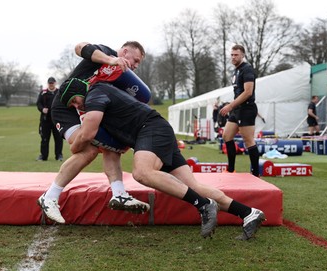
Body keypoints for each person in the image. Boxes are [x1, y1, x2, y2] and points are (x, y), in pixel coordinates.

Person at [61, 69, 266, 240]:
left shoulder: (94, 94)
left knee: (142, 173)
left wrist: (73, 146)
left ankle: (204, 205)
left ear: (81, 92)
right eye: (73, 106)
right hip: (156, 130)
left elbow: (87, 134)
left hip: (150, 129)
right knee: (194, 186)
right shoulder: (99, 94)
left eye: (75, 101)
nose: (77, 107)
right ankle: (248, 213)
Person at [37, 42, 151, 219]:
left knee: (113, 145)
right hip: (66, 105)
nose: (136, 65)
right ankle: (49, 197)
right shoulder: (107, 54)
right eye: (135, 60)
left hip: (90, 107)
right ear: (125, 51)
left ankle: (119, 194)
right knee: (88, 150)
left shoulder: (124, 77)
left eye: (139, 63)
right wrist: (110, 60)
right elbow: (79, 47)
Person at [220, 45, 260, 177]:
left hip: (247, 108)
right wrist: (232, 107)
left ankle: (256, 173)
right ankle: (231, 170)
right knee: (227, 136)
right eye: (231, 55)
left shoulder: (247, 69)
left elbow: (248, 92)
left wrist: (230, 106)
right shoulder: (235, 71)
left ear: (242, 55)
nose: (233, 57)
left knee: (248, 140)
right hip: (237, 109)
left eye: (236, 55)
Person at [36, 77, 63, 161]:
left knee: (58, 139)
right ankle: (43, 156)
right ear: (48, 84)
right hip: (45, 120)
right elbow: (38, 104)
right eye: (50, 83)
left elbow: (63, 103)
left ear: (55, 83)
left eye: (52, 83)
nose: (51, 85)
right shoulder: (43, 93)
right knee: (44, 139)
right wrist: (42, 109)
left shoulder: (59, 92)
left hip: (56, 119)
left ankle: (59, 155)